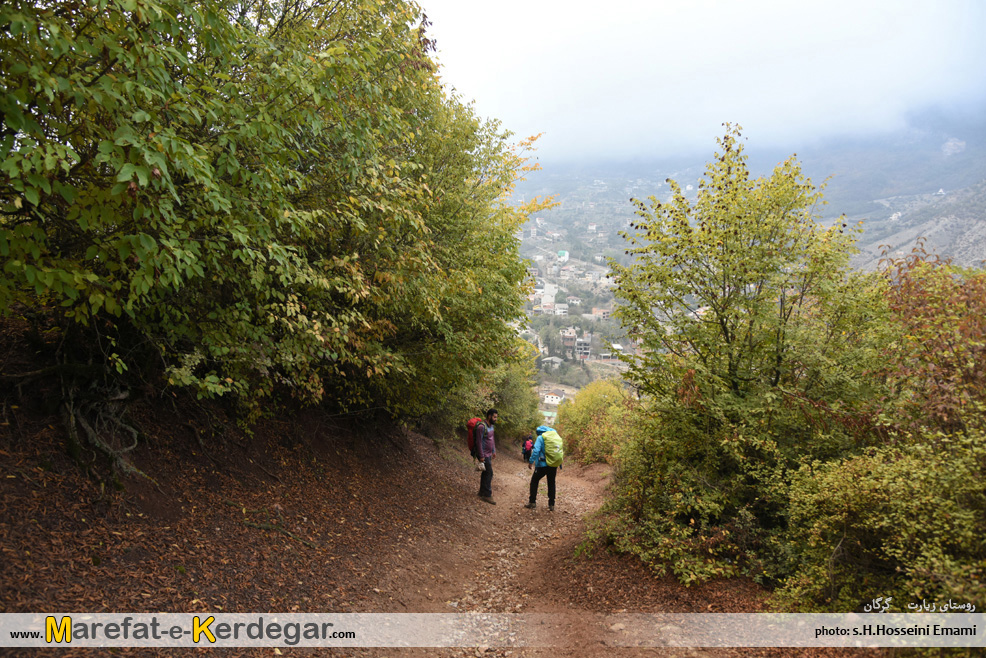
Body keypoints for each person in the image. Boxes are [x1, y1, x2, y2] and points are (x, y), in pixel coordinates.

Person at [525, 425, 559, 511]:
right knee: (551, 483)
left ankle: (532, 502)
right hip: (553, 465)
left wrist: (531, 461)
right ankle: (551, 504)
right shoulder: (555, 437)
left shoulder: (541, 438)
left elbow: (536, 450)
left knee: (534, 481)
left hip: (542, 465)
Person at [475, 408, 498, 504]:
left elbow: (491, 439)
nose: (496, 419)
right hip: (483, 454)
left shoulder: (491, 426)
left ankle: (481, 492)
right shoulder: (481, 427)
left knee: (485, 473)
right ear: (489, 416)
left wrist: (493, 450)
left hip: (488, 454)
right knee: (489, 473)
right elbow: (478, 442)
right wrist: (481, 456)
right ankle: (487, 495)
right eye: (494, 417)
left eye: (496, 417)